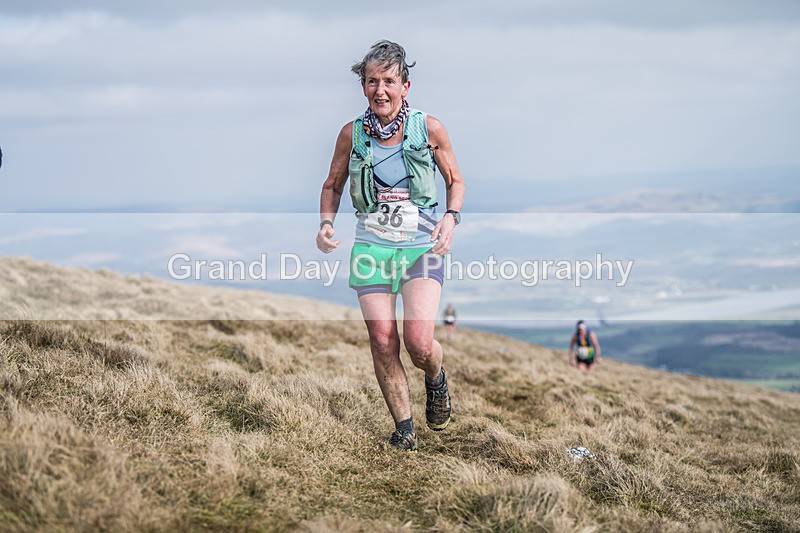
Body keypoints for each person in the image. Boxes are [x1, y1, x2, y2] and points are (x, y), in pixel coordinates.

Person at [316, 40, 465, 451]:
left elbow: (455, 181)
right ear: (363, 86)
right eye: (371, 82)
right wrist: (326, 225)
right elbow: (332, 185)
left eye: (388, 81)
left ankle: (435, 376)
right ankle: (404, 428)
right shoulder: (351, 135)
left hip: (422, 247)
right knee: (383, 341)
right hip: (371, 247)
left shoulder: (428, 128)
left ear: (404, 85)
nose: (379, 90)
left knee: (418, 343)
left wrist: (450, 218)